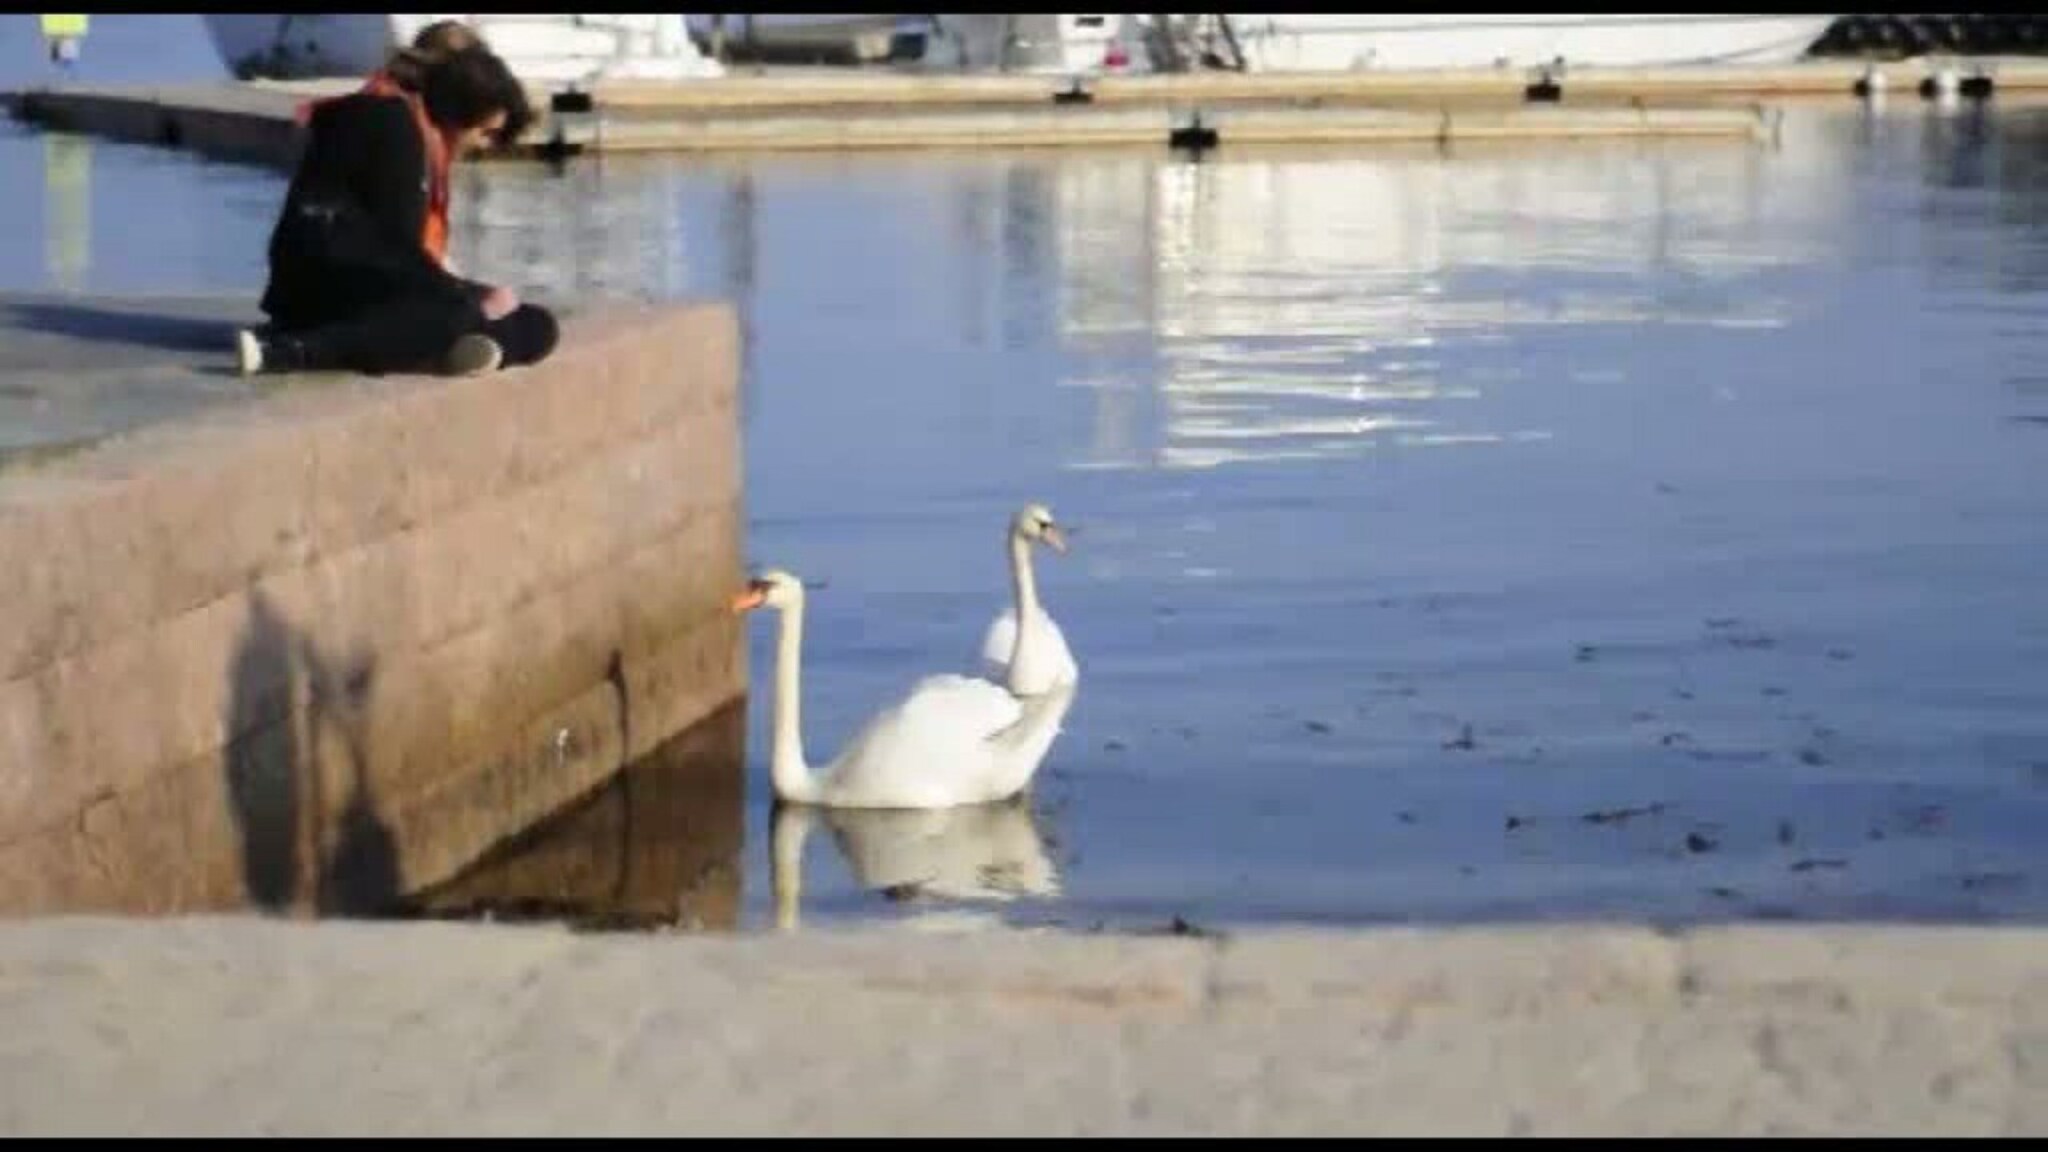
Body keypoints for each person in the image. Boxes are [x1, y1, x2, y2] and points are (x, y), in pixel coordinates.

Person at [237, 44, 556, 378]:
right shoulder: (395, 130)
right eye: (485, 132)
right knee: (457, 315)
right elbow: (398, 253)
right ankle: (294, 352)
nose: (483, 145)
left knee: (537, 324)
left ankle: (475, 344)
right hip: (327, 291)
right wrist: (468, 296)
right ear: (458, 112)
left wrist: (469, 295)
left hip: (322, 281)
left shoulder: (392, 116)